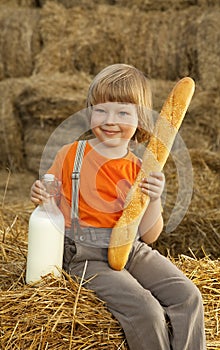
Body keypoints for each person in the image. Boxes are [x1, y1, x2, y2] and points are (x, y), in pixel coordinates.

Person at [30, 64, 206, 350]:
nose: (110, 120)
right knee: (146, 309)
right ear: (89, 113)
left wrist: (155, 197)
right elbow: (47, 195)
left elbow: (150, 236)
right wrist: (40, 192)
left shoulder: (141, 168)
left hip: (132, 248)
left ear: (141, 119)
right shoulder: (71, 155)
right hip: (85, 254)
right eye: (101, 110)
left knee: (189, 296)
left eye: (123, 112)